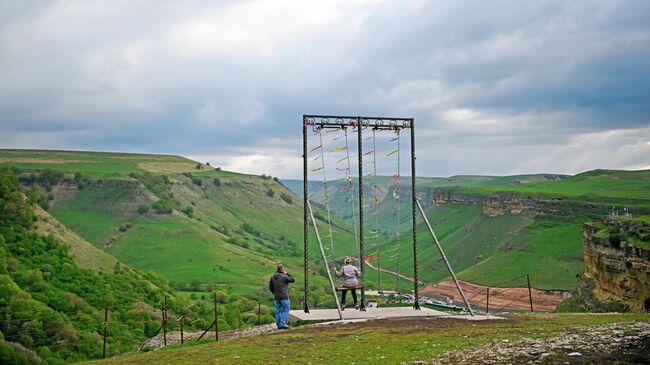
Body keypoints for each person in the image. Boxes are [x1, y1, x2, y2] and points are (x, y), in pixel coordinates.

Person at [268, 263, 294, 329]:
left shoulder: (272, 277)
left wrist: (275, 293)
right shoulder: (284, 276)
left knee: (277, 310)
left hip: (276, 297)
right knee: (286, 309)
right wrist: (287, 273)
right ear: (282, 269)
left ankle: (278, 324)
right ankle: (282, 324)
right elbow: (292, 279)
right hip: (284, 297)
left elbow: (270, 287)